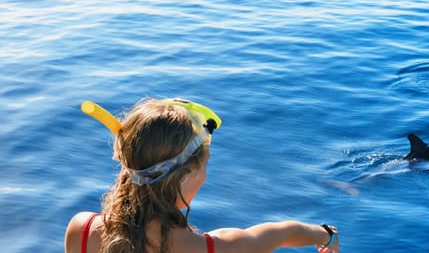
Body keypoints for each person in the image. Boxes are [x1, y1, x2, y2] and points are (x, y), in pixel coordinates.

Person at [65, 97, 340, 253]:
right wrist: (326, 234)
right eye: (205, 164)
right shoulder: (207, 249)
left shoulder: (81, 229)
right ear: (184, 176)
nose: (206, 175)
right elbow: (279, 234)